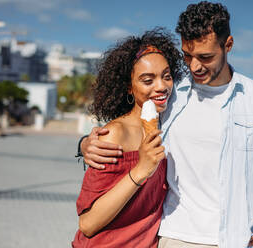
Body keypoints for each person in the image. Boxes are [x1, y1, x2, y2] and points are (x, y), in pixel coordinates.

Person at [78, 2, 253, 247]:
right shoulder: (171, 93)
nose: (194, 66)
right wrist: (84, 144)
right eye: (187, 55)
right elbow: (129, 124)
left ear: (228, 45)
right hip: (177, 238)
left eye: (205, 57)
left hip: (239, 240)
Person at [72, 28, 185, 247]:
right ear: (129, 87)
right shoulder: (114, 134)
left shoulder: (168, 124)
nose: (161, 86)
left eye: (166, 76)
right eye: (147, 80)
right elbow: (87, 223)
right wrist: (141, 169)